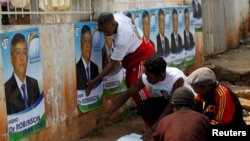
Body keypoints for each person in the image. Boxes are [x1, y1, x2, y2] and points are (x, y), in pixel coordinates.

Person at [96, 55, 194, 140]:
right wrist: (108, 113)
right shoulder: (147, 77)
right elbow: (128, 93)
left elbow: (171, 105)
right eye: (146, 74)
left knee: (178, 121)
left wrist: (152, 129)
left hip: (186, 105)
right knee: (144, 106)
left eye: (149, 76)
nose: (146, 78)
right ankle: (162, 131)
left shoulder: (176, 79)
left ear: (161, 76)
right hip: (168, 103)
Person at [86, 12, 155, 106]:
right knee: (130, 84)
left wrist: (94, 81)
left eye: (107, 32)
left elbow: (112, 64)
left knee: (136, 87)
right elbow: (131, 21)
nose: (105, 35)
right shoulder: (117, 16)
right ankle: (144, 108)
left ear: (114, 24)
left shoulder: (122, 39)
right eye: (103, 31)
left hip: (141, 54)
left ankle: (150, 112)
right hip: (132, 53)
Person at [4, 33, 40, 115]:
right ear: (11, 59)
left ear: (27, 57)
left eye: (24, 52)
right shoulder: (6, 90)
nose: (21, 58)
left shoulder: (34, 84)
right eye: (17, 53)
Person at [76, 25, 99, 90]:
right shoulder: (76, 69)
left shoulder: (95, 68)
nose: (87, 46)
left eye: (89, 41)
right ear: (81, 45)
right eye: (85, 41)